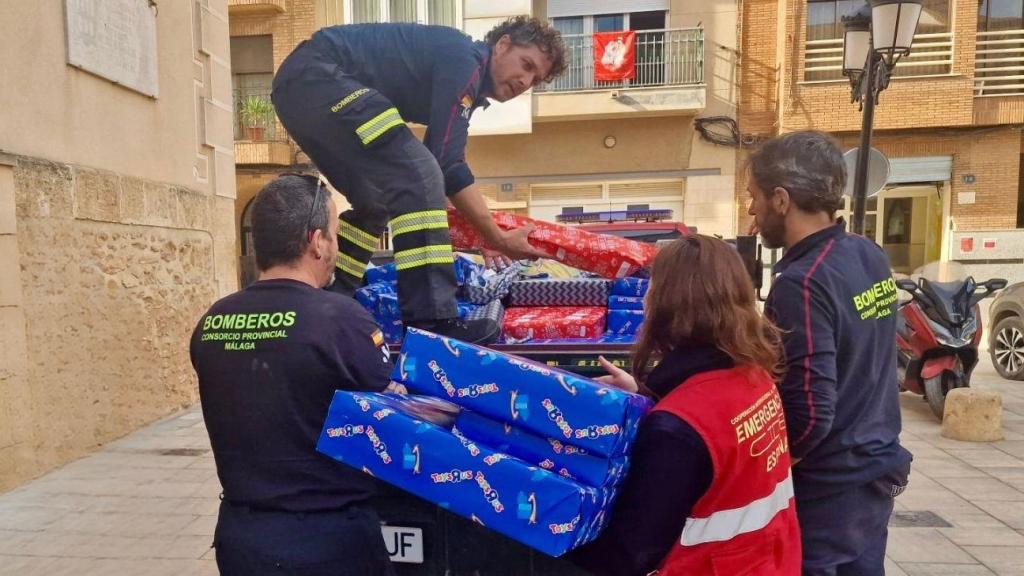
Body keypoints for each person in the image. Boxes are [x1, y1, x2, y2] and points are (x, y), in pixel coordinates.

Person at [271, 16, 567, 344]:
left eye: (535, 78)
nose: (525, 81)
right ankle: (432, 321)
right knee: (418, 173)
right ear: (502, 45)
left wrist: (479, 231)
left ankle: (330, 302)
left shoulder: (466, 80)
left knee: (376, 202)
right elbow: (444, 164)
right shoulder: (465, 60)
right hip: (319, 76)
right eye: (526, 65)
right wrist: (496, 236)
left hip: (296, 91)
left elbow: (443, 166)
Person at [190, 175, 398, 575]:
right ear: (316, 241)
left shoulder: (212, 321)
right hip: (328, 541)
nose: (335, 247)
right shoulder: (341, 319)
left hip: (242, 538)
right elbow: (393, 412)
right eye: (334, 235)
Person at [569, 235, 801, 576]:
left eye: (651, 286)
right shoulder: (755, 375)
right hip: (770, 560)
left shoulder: (676, 430)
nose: (644, 297)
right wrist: (646, 396)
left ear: (668, 303)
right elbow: (720, 450)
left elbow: (630, 553)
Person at [746, 131, 913, 575]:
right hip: (874, 471)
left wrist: (768, 471)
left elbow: (810, 413)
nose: (751, 210)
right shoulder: (867, 253)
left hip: (828, 491)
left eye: (754, 197)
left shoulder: (800, 283)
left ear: (781, 199)